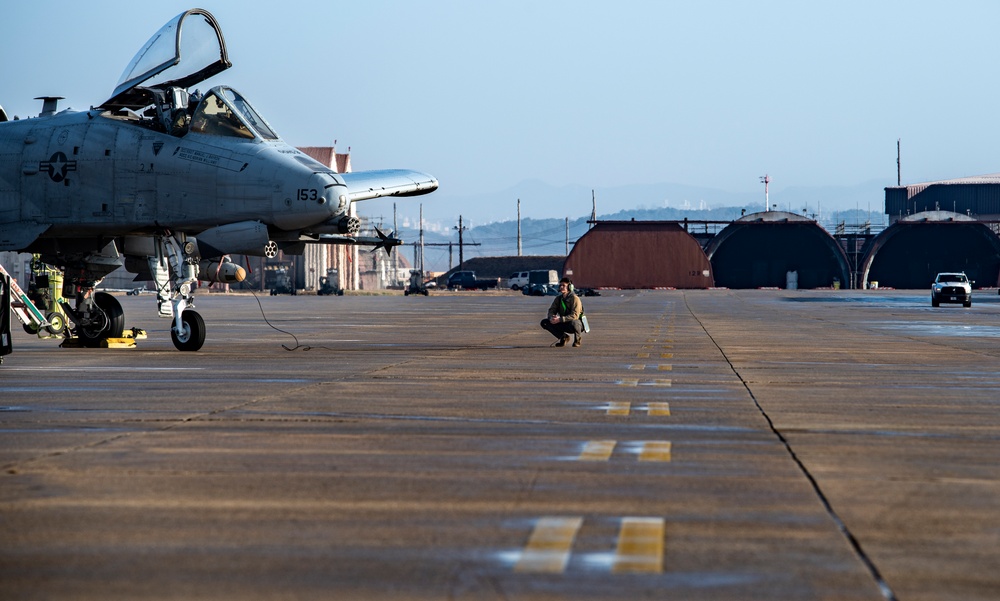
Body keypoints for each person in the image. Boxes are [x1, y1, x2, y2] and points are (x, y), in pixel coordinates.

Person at [540, 277, 584, 347]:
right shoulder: (558, 299)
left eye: (564, 285)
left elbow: (575, 315)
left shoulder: (575, 299)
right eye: (560, 285)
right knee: (545, 322)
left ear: (570, 287)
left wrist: (560, 319)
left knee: (575, 322)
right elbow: (552, 310)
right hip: (563, 322)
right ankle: (564, 337)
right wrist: (551, 317)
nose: (561, 287)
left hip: (574, 323)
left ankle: (577, 340)